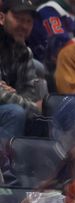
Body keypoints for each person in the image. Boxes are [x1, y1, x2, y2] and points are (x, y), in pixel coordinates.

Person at [0, 0, 47, 144]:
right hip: (9, 110)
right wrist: (32, 107)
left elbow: (30, 92)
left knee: (42, 119)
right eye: (19, 19)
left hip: (8, 106)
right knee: (15, 112)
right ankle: (5, 164)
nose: (24, 26)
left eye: (29, 21)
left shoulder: (24, 51)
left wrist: (13, 95)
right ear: (1, 18)